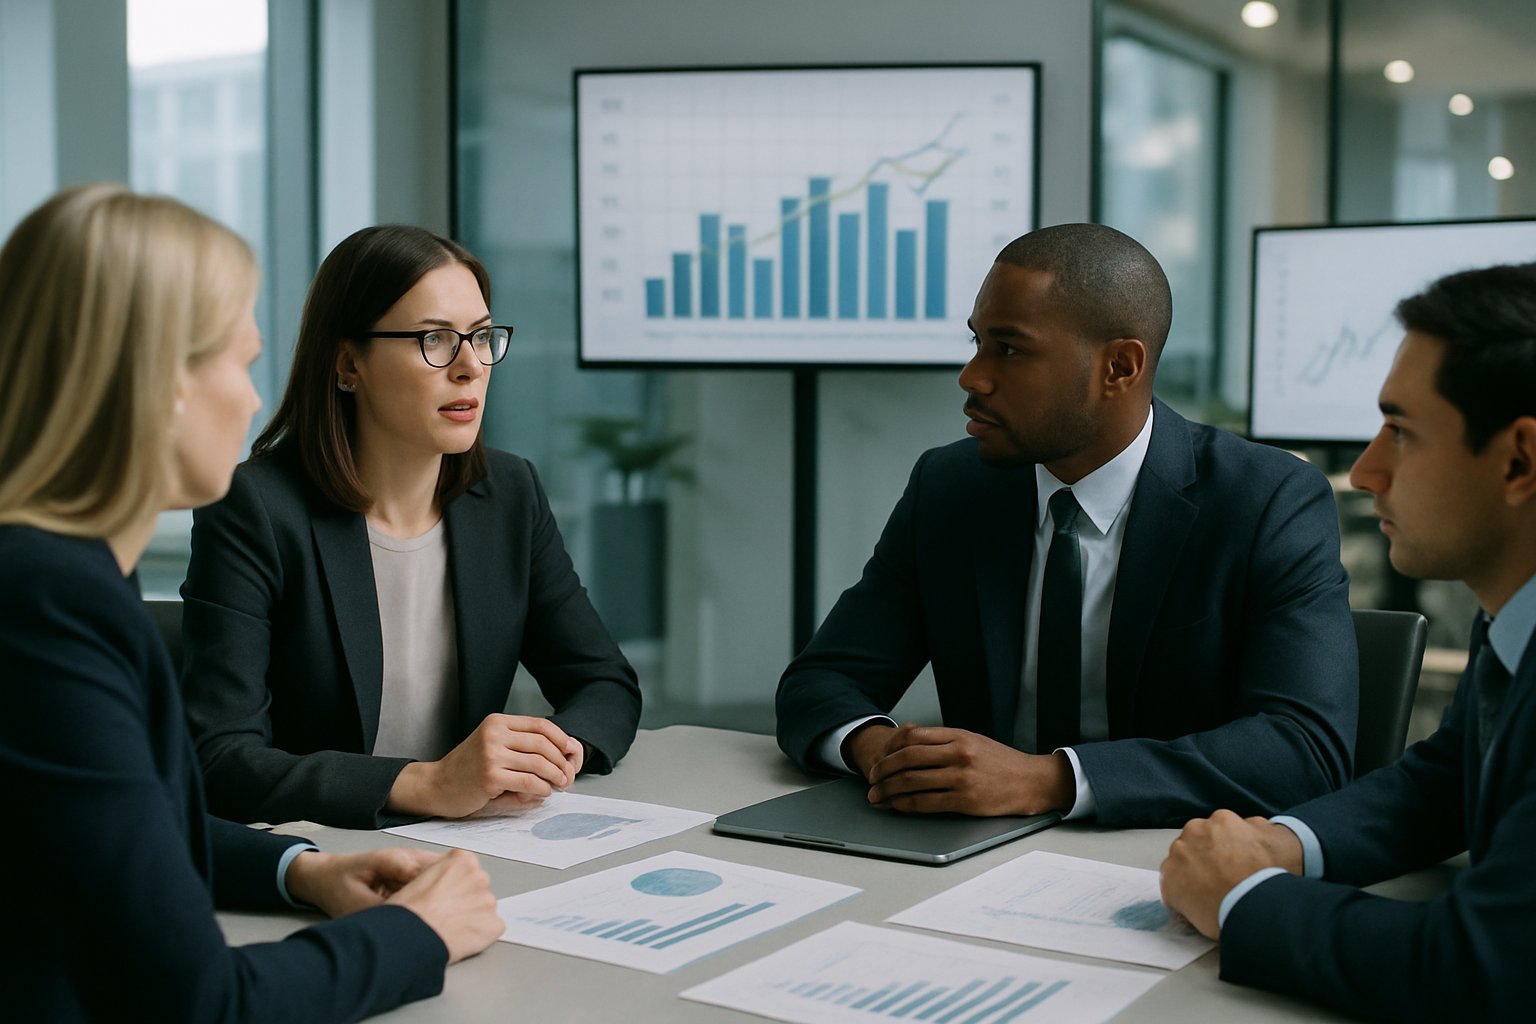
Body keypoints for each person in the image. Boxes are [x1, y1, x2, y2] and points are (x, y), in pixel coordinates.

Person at [0, 184, 504, 1021]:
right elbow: (201, 1005)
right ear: (158, 384)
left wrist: (300, 869)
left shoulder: (70, 572)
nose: (252, 399)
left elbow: (130, 836)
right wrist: (419, 933)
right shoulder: (44, 611)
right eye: (239, 361)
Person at [776, 223, 1358, 827]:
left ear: (1119, 367)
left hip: (1163, 855)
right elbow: (822, 680)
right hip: (967, 854)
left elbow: (1305, 749)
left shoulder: (1266, 501)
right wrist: (883, 752)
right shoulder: (951, 488)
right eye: (976, 343)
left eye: (1009, 349)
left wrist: (1049, 780)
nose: (972, 377)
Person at [1160, 262, 1536, 1021]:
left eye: (1401, 430)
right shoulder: (1514, 617)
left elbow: (1479, 967)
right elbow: (1448, 778)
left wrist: (1243, 897)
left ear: (1519, 460)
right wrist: (1287, 845)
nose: (1366, 471)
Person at [180, 224, 642, 830]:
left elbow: (604, 682)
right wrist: (424, 783)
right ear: (348, 363)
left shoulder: (508, 494)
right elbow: (220, 760)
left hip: (479, 843)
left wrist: (548, 754)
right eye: (435, 339)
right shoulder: (256, 507)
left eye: (480, 338)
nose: (470, 367)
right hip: (329, 848)